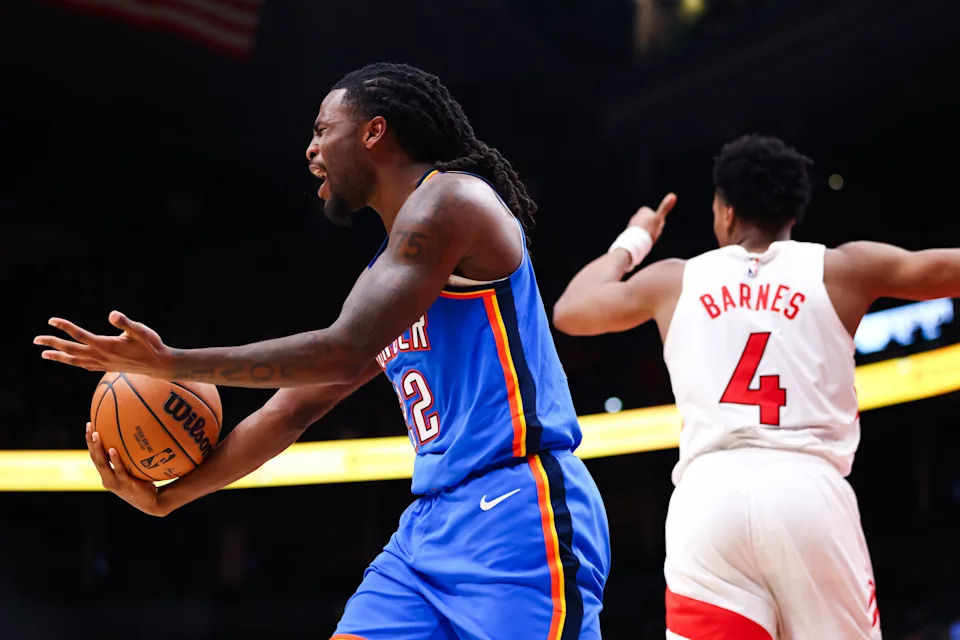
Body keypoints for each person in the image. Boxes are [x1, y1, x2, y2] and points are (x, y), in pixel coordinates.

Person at [36, 63, 610, 640]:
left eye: (321, 130)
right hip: (430, 527)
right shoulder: (391, 274)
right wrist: (170, 498)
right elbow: (291, 409)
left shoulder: (452, 201)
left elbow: (340, 351)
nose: (311, 150)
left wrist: (169, 363)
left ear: (373, 132)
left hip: (517, 508)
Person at [552, 134, 960, 639]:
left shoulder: (676, 279)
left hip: (708, 499)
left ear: (724, 211)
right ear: (794, 215)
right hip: (806, 490)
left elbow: (571, 311)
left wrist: (635, 238)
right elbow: (948, 268)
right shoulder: (841, 268)